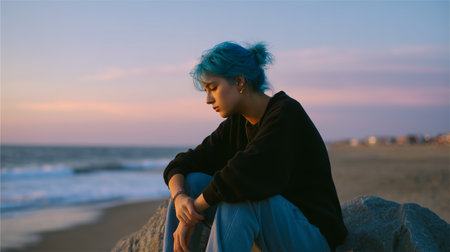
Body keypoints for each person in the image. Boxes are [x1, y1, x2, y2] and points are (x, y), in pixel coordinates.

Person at [162, 41, 347, 252]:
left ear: (239, 81)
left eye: (213, 87)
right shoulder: (237, 124)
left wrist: (192, 213)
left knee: (242, 195)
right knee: (192, 182)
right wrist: (180, 199)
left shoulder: (286, 114)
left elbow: (244, 173)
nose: (208, 99)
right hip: (272, 230)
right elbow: (182, 163)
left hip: (311, 236)